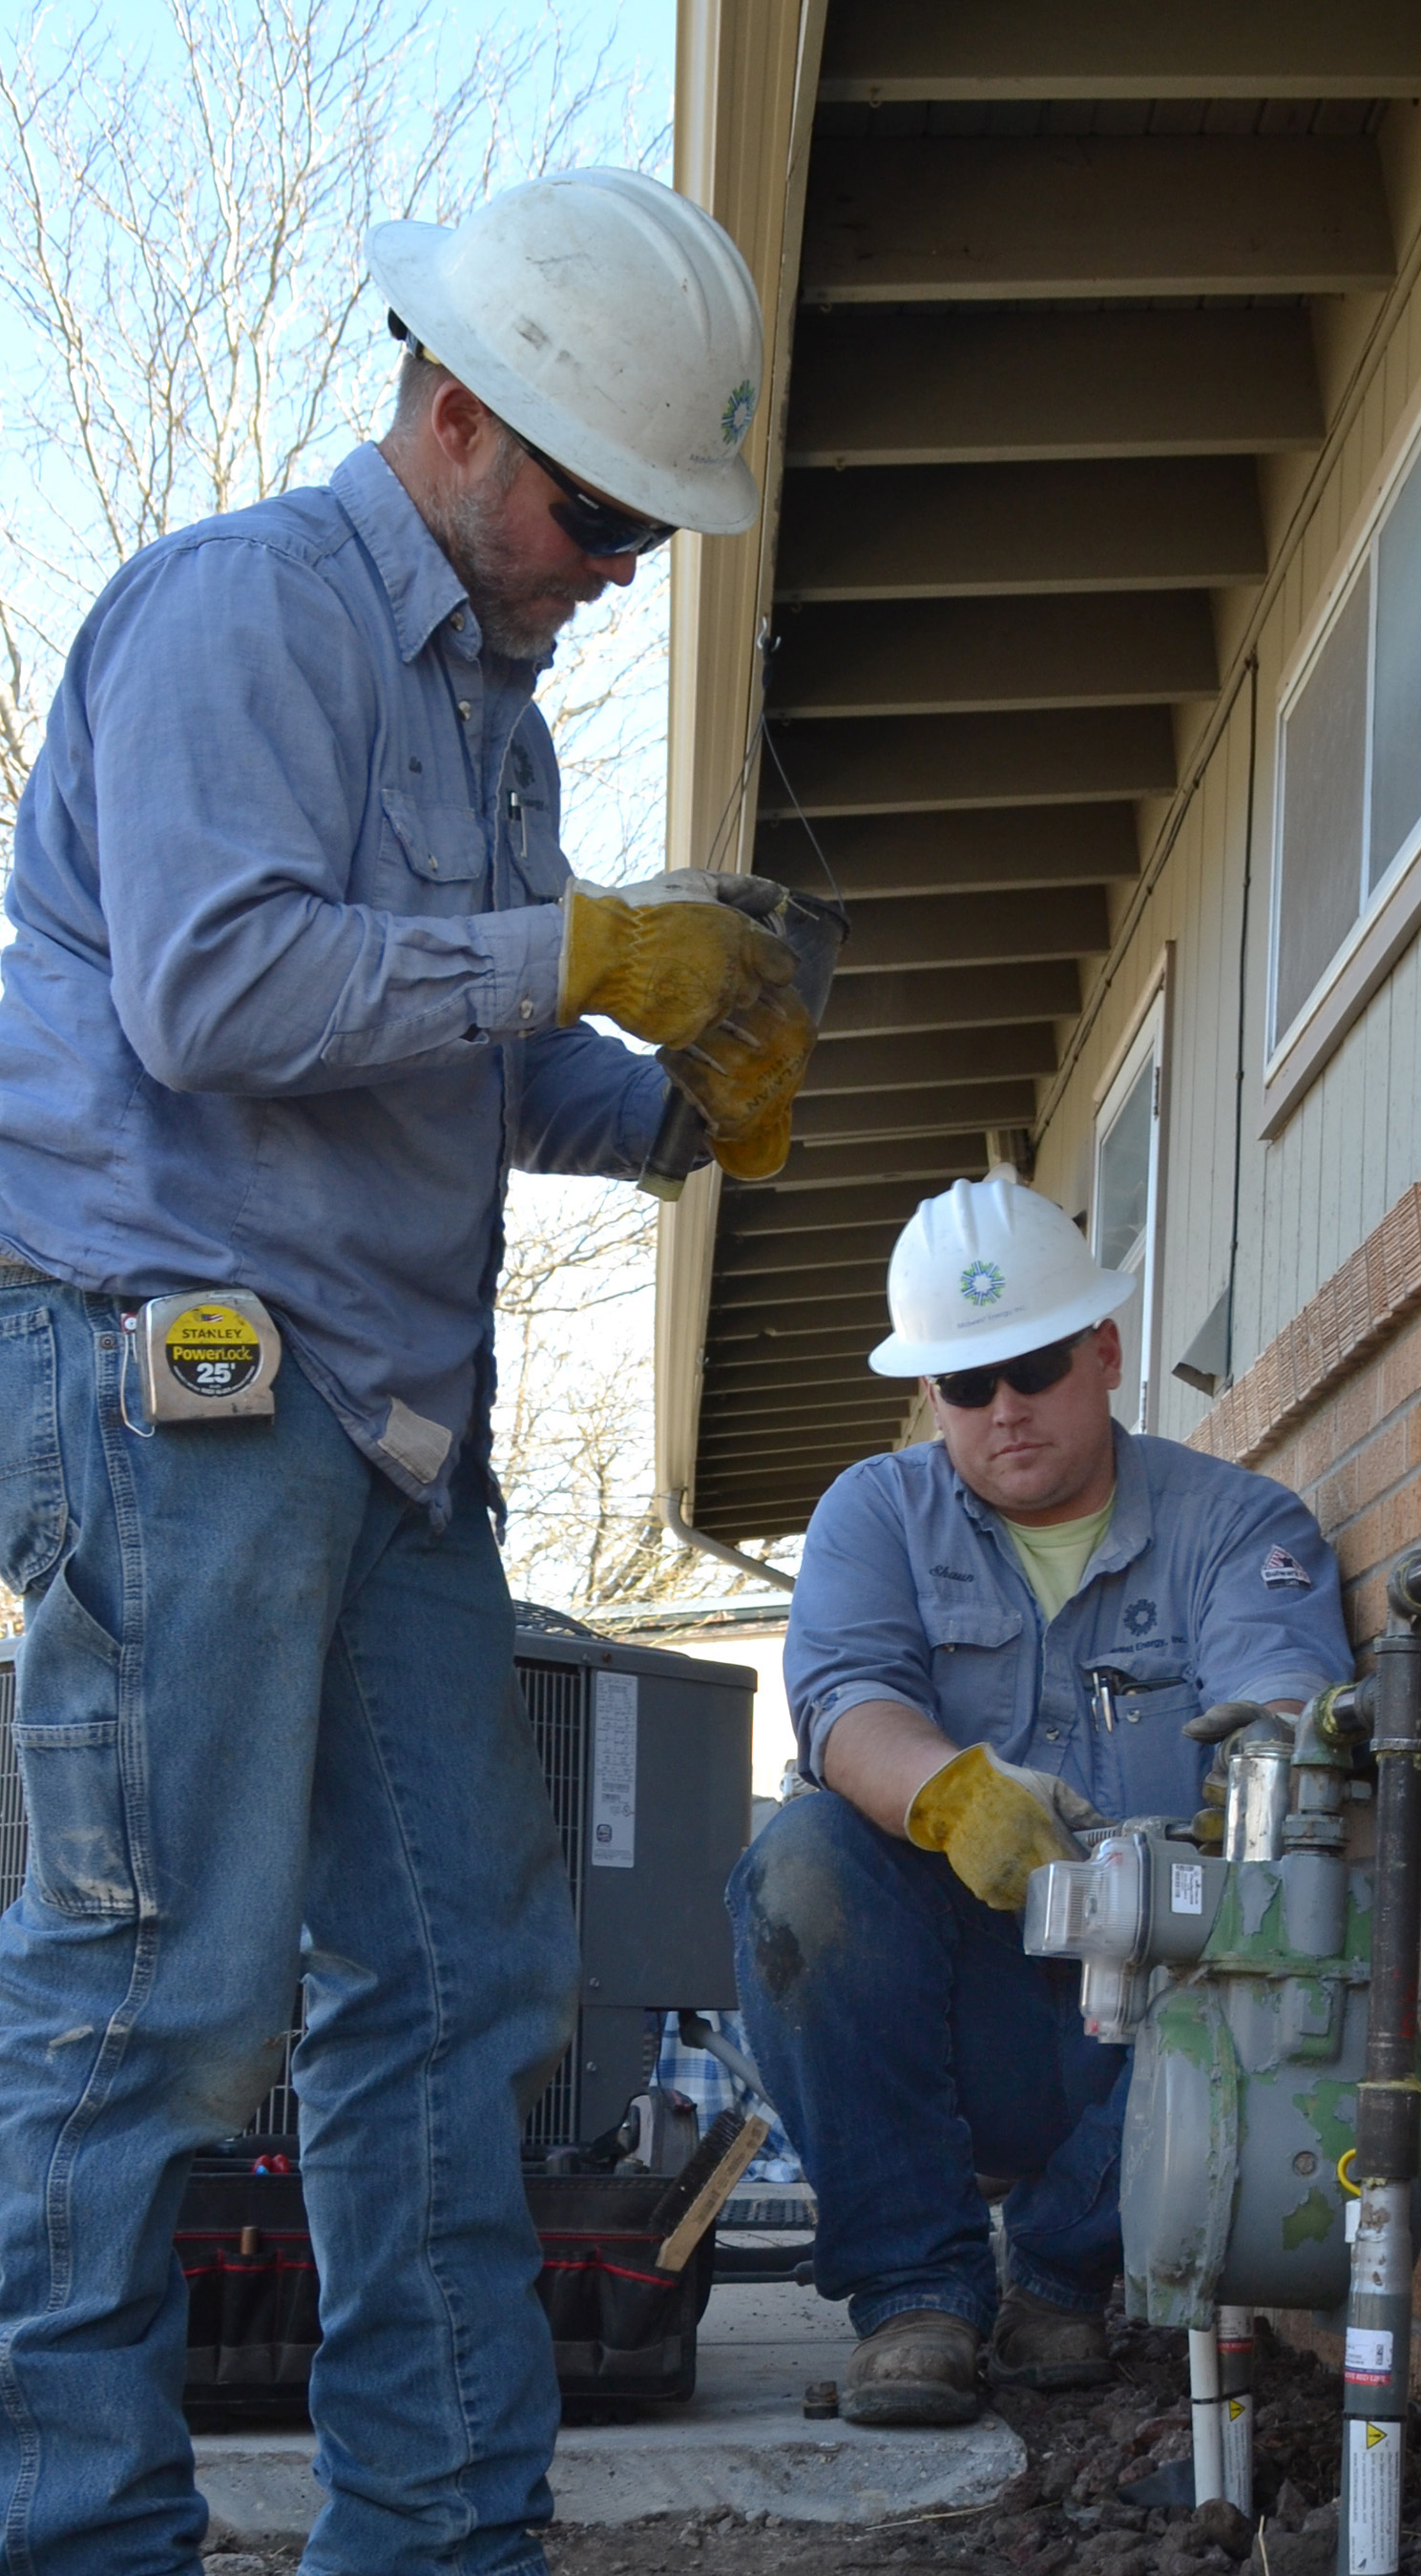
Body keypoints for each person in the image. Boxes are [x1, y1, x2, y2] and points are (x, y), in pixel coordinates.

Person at [0, 169, 810, 2576]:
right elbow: (225, 995)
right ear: (460, 418)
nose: (620, 562)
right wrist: (581, 951)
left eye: (652, 527)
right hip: (182, 1378)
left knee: (464, 1994)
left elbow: (441, 1062)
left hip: (387, 1427)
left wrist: (670, 1100)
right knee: (154, 1998)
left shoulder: (502, 728)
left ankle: (444, 2536)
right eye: (598, 506)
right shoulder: (241, 613)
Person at [729, 1174, 1353, 2426]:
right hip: (951, 2004)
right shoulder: (876, 1513)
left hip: (1152, 2022)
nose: (1004, 1408)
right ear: (930, 1396)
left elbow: (1284, 1721)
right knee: (798, 1864)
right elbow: (845, 1702)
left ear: (1104, 1350)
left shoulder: (1239, 1526)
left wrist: (1232, 1804)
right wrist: (955, 1796)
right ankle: (918, 2297)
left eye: (1035, 1366)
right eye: (967, 1385)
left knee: (1287, 1896)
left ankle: (1066, 2276)